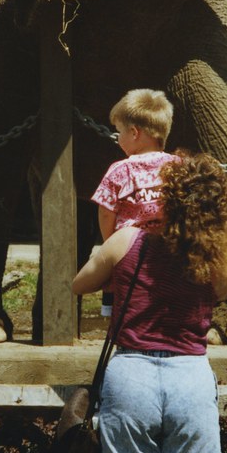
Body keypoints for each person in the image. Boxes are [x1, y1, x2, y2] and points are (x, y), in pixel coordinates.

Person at [73, 152, 227, 453]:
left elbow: (79, 285)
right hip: (189, 376)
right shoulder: (216, 254)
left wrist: (99, 257)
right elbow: (220, 292)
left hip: (132, 376)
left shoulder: (128, 241)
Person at [92, 88, 179, 316]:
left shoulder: (120, 170)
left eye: (119, 131)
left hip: (130, 253)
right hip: (173, 251)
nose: (117, 138)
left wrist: (111, 243)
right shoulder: (180, 167)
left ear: (134, 133)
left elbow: (105, 212)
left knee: (128, 310)